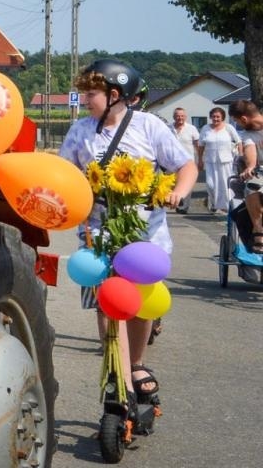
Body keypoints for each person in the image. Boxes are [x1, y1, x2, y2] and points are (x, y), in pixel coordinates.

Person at [60, 59, 196, 410]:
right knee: (108, 303)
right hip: (97, 232)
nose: (85, 99)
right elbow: (66, 175)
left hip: (144, 235)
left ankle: (134, 365)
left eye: (91, 93)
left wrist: (178, 191)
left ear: (115, 95)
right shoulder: (80, 132)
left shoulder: (149, 126)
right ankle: (117, 373)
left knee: (139, 303)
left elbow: (185, 165)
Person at [227, 99, 263, 282]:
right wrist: (250, 167)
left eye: (236, 121)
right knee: (252, 185)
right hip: (262, 176)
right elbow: (251, 156)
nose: (237, 125)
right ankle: (258, 232)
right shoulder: (248, 135)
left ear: (243, 118)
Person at [198, 106, 240, 215]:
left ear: (222, 117)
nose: (215, 119)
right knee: (210, 185)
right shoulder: (205, 128)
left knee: (226, 185)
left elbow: (239, 142)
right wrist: (200, 160)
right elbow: (201, 145)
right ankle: (214, 203)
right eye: (213, 117)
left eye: (218, 117)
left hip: (226, 161)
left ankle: (227, 207)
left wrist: (241, 156)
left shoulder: (229, 127)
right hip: (211, 161)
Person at [168, 108, 201, 214]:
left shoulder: (191, 129)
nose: (180, 118)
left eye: (182, 116)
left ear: (185, 117)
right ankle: (175, 202)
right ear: (174, 117)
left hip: (187, 162)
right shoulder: (168, 128)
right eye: (177, 116)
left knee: (186, 183)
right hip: (171, 161)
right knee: (172, 183)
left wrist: (200, 159)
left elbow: (197, 145)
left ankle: (184, 206)